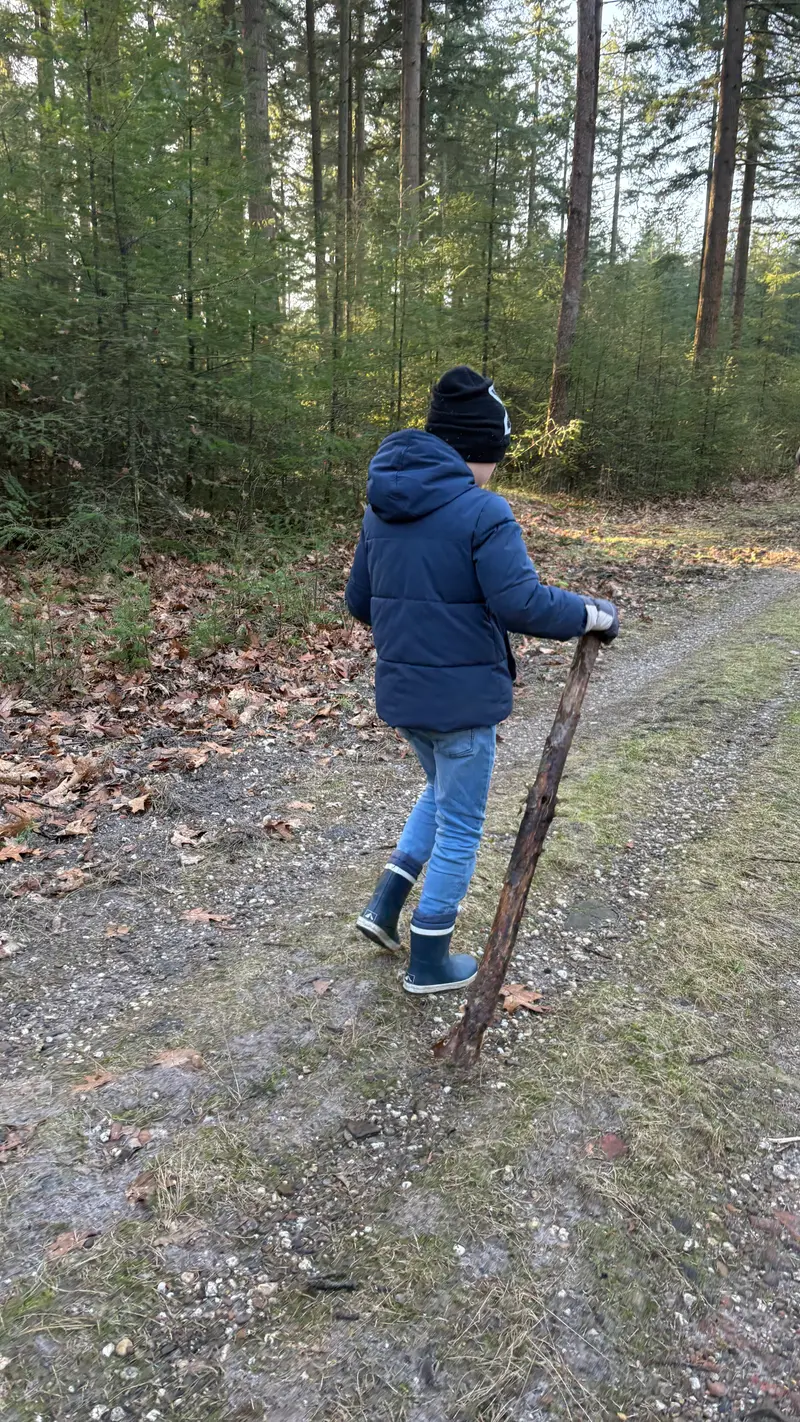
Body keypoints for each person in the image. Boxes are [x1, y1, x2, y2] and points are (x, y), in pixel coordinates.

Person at [345, 365, 619, 996]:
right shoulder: (481, 511)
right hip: (462, 702)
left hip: (406, 696)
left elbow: (362, 602)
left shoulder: (381, 508)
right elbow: (522, 602)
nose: (498, 467)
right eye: (496, 453)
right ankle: (429, 959)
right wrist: (592, 614)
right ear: (477, 449)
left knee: (440, 796)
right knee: (462, 823)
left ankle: (384, 906)